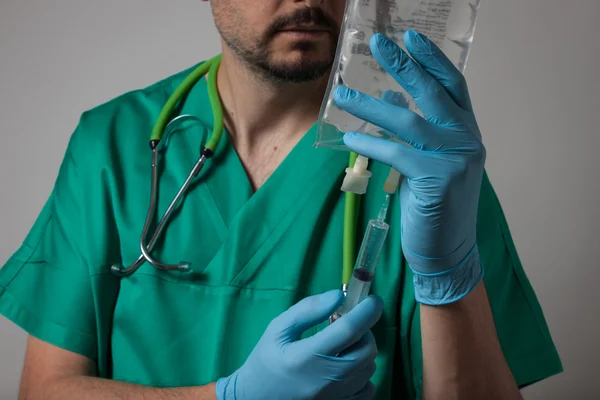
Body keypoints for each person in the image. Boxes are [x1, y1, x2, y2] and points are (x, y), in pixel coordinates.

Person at [0, 0, 562, 399]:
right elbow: (44, 390)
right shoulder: (112, 143)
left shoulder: (428, 165)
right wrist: (228, 398)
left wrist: (449, 275)